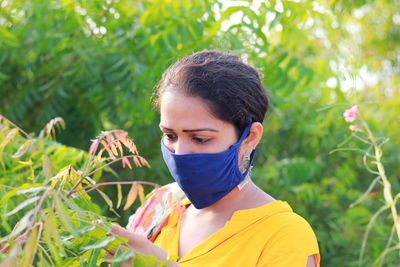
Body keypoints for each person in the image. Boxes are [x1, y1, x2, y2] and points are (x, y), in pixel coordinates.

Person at [110, 50, 320, 266]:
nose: (180, 152)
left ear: (250, 137)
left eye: (200, 139)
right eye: (170, 136)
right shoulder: (160, 206)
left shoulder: (282, 236)